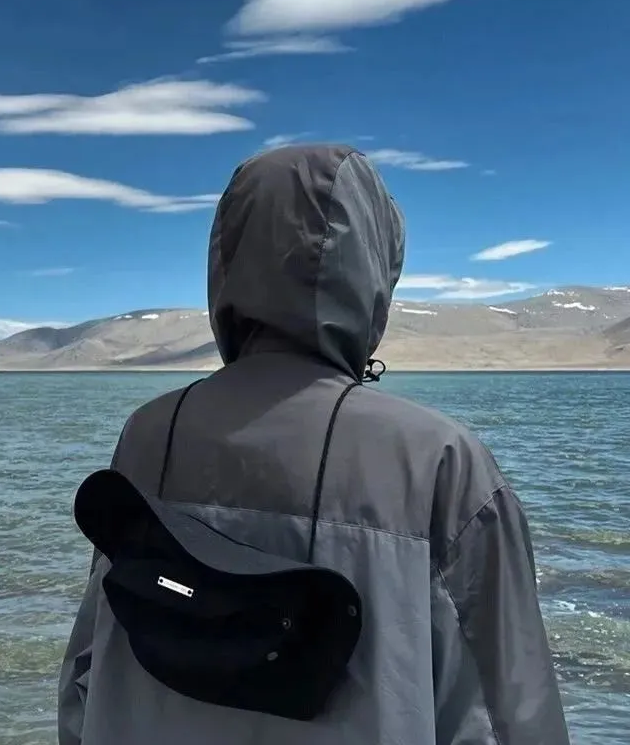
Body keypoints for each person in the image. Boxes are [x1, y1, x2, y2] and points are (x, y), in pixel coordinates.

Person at [57, 143, 569, 745]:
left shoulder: (148, 435)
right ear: (373, 274)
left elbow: (85, 676)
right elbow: (509, 715)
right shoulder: (439, 461)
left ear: (226, 261)